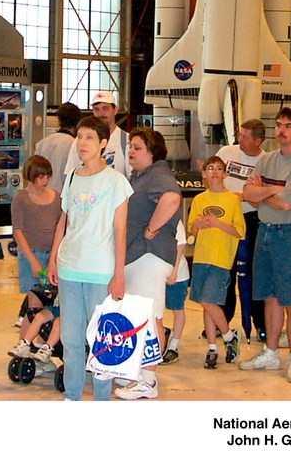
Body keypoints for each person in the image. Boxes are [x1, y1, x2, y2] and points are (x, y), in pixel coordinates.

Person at [48, 115, 132, 402]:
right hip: (69, 267)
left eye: (89, 138)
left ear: (103, 144)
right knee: (71, 340)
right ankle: (72, 397)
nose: (82, 143)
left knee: (101, 342)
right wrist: (52, 260)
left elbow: (120, 230)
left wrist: (118, 274)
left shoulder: (116, 181)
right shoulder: (71, 177)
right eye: (79, 136)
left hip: (100, 270)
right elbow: (64, 221)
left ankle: (100, 399)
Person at [238, 107, 291, 384]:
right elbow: (248, 194)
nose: (281, 130)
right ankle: (271, 352)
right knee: (269, 296)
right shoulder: (267, 160)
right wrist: (273, 190)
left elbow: (286, 204)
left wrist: (265, 191)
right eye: (279, 125)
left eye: (287, 126)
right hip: (265, 232)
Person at [115, 127, 182, 399]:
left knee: (151, 317)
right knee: (140, 317)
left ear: (152, 152)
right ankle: (139, 373)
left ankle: (149, 379)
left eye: (138, 147)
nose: (131, 150)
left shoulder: (159, 175)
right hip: (138, 256)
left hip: (150, 256)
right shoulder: (141, 177)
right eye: (130, 146)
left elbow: (172, 198)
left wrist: (151, 229)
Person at [188, 156, 246, 370]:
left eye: (218, 168)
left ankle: (229, 336)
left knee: (208, 301)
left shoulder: (231, 200)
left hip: (221, 259)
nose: (214, 172)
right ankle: (213, 347)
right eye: (210, 168)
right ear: (203, 173)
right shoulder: (199, 200)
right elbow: (191, 231)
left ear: (225, 174)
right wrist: (199, 224)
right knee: (207, 304)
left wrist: (218, 224)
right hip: (202, 257)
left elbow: (239, 231)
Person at [216, 118, 267, 342]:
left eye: (245, 137)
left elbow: (262, 198)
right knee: (225, 271)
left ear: (258, 141)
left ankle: (260, 324)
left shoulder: (266, 161)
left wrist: (242, 196)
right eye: (240, 135)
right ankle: (221, 323)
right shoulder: (227, 152)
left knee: (255, 274)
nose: (240, 140)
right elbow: (212, 179)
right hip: (226, 218)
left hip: (252, 220)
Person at [11, 155, 62, 303]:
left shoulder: (56, 197)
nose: (45, 181)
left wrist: (55, 256)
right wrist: (33, 261)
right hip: (30, 254)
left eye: (47, 177)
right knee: (35, 302)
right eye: (41, 177)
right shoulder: (21, 198)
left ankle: (32, 326)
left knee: (51, 302)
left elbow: (61, 227)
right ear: (30, 176)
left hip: (53, 255)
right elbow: (17, 231)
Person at [64, 91, 131, 180]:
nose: (101, 114)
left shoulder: (126, 140)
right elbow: (71, 174)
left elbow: (131, 176)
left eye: (105, 108)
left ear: (115, 110)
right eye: (96, 109)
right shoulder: (80, 141)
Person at [160, 219, 191, 364]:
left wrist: (174, 270)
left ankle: (173, 347)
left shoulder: (175, 221)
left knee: (176, 309)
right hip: (159, 272)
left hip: (176, 274)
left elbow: (180, 246)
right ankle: (163, 334)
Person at [35, 102, 82, 192]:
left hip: (42, 195)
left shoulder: (42, 143)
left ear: (59, 120)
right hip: (63, 197)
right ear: (78, 122)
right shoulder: (75, 145)